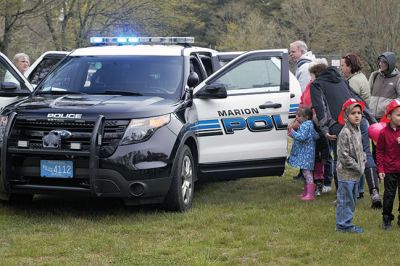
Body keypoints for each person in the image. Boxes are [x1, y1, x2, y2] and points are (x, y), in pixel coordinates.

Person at [340, 53, 381, 206]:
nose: (342, 69)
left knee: (356, 154)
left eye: (343, 66)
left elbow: (350, 105)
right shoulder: (361, 77)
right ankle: (373, 191)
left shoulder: (353, 82)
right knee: (366, 153)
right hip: (364, 120)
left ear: (350, 66)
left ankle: (354, 191)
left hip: (357, 122)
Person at [335, 98, 366, 233]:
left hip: (355, 173)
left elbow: (359, 149)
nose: (357, 115)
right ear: (346, 115)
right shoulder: (345, 132)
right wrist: (358, 166)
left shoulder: (357, 130)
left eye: (359, 112)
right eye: (353, 113)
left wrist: (363, 159)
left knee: (352, 199)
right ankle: (343, 225)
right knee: (345, 200)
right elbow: (344, 156)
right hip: (346, 174)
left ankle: (347, 222)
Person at [289, 40, 316, 181]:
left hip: (306, 112)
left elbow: (304, 91)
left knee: (305, 143)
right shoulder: (303, 65)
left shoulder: (305, 67)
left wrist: (301, 115)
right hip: (304, 111)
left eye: (293, 51)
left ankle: (306, 173)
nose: (291, 54)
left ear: (302, 51)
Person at [376, 99, 400, 230]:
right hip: (390, 169)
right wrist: (380, 168)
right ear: (389, 116)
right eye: (398, 115)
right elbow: (379, 151)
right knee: (389, 195)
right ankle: (387, 218)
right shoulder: (384, 133)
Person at [287, 107, 319, 201]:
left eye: (299, 116)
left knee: (307, 173)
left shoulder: (306, 125)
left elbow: (301, 137)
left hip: (306, 154)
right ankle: (306, 192)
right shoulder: (307, 124)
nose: (297, 117)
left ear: (307, 117)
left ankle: (310, 194)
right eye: (296, 115)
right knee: (305, 173)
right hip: (306, 153)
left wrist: (292, 131)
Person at [369, 52, 400, 121]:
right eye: (380, 61)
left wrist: (389, 106)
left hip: (387, 119)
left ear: (390, 63)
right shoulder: (374, 75)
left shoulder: (398, 78)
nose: (380, 64)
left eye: (383, 62)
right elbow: (368, 94)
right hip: (371, 117)